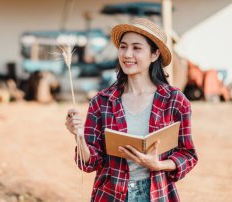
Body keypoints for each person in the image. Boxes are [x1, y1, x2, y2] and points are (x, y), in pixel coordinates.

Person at [65, 18, 198, 202]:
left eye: (137, 48)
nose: (127, 54)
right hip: (111, 194)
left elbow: (188, 154)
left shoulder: (175, 101)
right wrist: (79, 136)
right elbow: (90, 163)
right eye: (123, 46)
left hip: (157, 194)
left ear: (154, 54)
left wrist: (157, 164)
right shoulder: (101, 102)